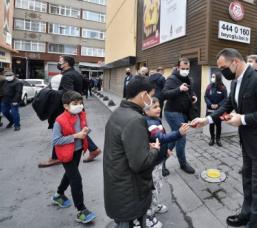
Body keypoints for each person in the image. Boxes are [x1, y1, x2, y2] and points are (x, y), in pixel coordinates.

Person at [192, 48, 257, 228]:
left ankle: (255, 225)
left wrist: (243, 119)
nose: (221, 71)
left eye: (223, 67)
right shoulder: (234, 82)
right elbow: (228, 104)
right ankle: (246, 214)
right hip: (248, 144)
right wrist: (207, 119)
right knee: (248, 184)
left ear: (236, 62)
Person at [103, 77, 165, 228]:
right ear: (144, 95)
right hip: (130, 192)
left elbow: (127, 146)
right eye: (151, 95)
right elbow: (140, 163)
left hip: (118, 186)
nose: (152, 100)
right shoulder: (135, 119)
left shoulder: (119, 112)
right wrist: (154, 150)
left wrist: (143, 145)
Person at [38, 56, 101, 168]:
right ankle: (94, 149)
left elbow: (68, 94)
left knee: (59, 129)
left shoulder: (67, 76)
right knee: (78, 130)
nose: (59, 63)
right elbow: (85, 85)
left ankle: (55, 157)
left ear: (66, 63)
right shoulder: (77, 73)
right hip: (77, 106)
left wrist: (53, 94)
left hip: (69, 108)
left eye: (61, 61)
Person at [142, 97, 189, 227]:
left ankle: (155, 206)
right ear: (145, 110)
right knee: (152, 189)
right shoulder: (150, 123)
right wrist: (178, 133)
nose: (158, 109)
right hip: (152, 163)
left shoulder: (156, 120)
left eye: (159, 106)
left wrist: (166, 151)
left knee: (158, 186)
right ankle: (148, 216)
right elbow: (161, 137)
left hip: (158, 160)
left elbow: (161, 139)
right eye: (154, 107)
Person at [51, 90, 96, 224]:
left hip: (77, 151)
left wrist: (86, 130)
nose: (79, 105)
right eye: (75, 103)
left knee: (70, 175)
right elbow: (55, 141)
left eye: (80, 102)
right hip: (66, 154)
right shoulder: (59, 121)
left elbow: (84, 128)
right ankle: (81, 210)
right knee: (76, 179)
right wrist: (75, 136)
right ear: (66, 106)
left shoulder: (81, 114)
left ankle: (58, 195)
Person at [162, 57, 198, 174]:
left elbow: (191, 91)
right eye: (183, 68)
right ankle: (183, 164)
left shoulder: (189, 79)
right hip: (172, 112)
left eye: (187, 68)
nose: (185, 70)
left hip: (183, 113)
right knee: (181, 136)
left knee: (175, 136)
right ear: (178, 67)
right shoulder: (172, 79)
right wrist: (179, 89)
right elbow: (165, 94)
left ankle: (160, 160)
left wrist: (194, 96)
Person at [204, 72, 227, 146]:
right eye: (212, 76)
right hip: (210, 109)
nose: (212, 78)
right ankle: (212, 139)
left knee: (218, 125)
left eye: (214, 77)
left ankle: (218, 139)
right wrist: (210, 104)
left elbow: (225, 98)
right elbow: (206, 96)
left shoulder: (223, 87)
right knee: (211, 124)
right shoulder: (209, 86)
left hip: (219, 109)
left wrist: (218, 105)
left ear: (218, 78)